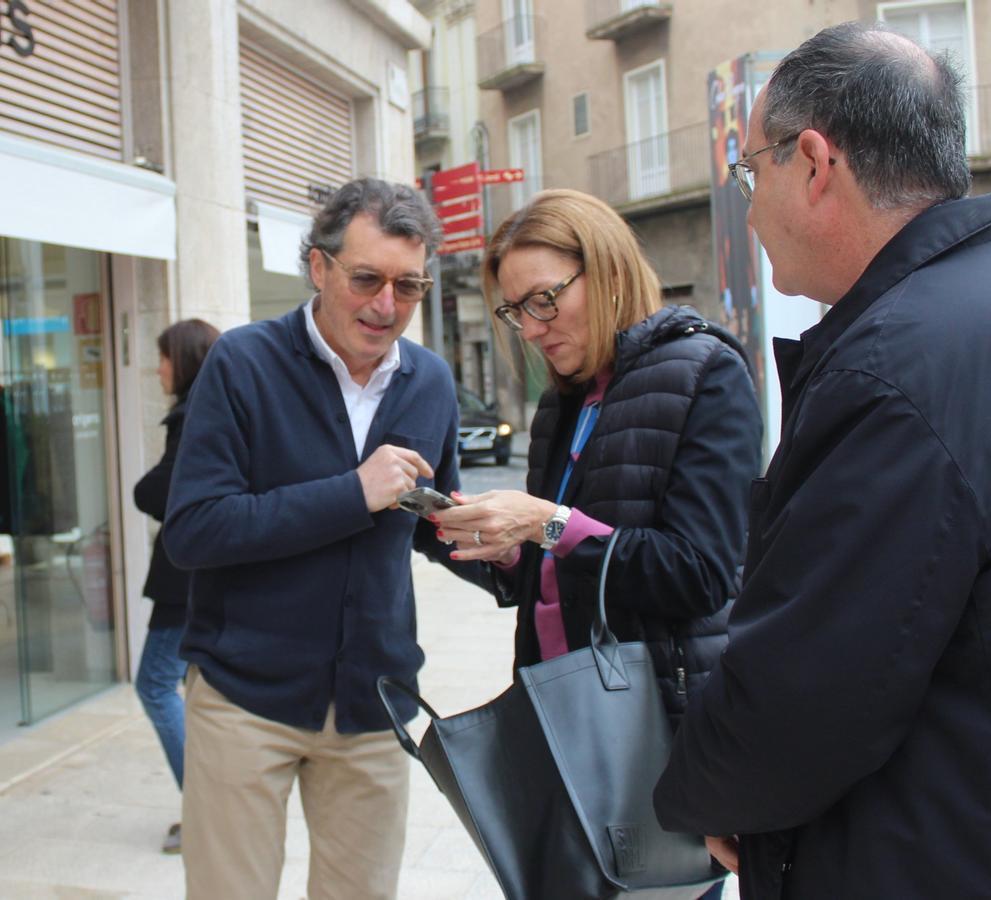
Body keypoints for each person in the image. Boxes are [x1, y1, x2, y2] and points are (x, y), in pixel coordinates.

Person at [654, 22, 991, 899]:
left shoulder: (899, 369)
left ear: (813, 162)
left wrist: (710, 792)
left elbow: (813, 685)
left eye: (750, 172)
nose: (751, 208)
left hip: (932, 859)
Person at [433, 189, 761, 897]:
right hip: (560, 721)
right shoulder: (563, 401)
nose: (531, 328)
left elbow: (702, 574)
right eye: (516, 311)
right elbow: (559, 573)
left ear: (606, 269)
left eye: (545, 300)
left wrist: (546, 523)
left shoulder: (707, 372)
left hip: (655, 736)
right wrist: (492, 544)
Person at [162, 178, 482, 900]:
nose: (385, 306)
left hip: (373, 700)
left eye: (409, 286)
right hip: (244, 701)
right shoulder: (242, 364)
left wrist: (493, 542)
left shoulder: (430, 380)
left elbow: (431, 521)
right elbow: (194, 529)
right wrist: (353, 492)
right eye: (366, 279)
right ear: (317, 266)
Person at [132, 317, 219, 855]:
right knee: (197, 693)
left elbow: (159, 491)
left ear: (183, 361)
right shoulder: (208, 411)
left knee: (154, 684)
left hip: (183, 579)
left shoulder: (190, 418)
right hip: (199, 575)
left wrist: (146, 488)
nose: (157, 368)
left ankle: (204, 815)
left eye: (163, 357)